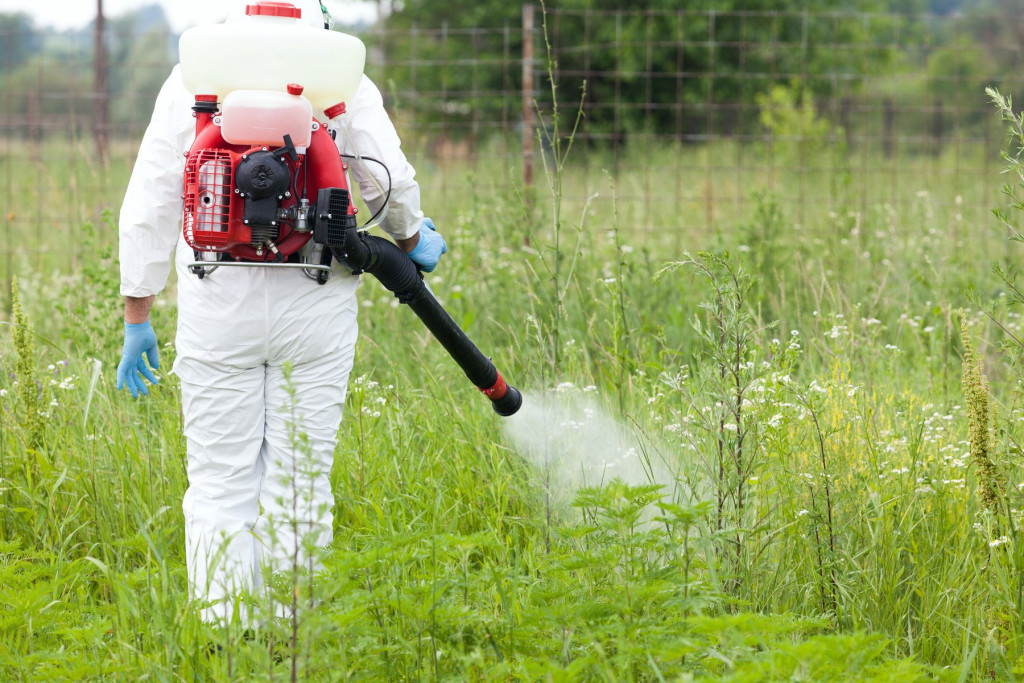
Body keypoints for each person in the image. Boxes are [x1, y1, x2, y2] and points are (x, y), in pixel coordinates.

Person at [115, 0, 447, 624]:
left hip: (220, 296)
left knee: (219, 478)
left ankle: (224, 631)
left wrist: (139, 316)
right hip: (314, 293)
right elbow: (386, 181)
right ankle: (292, 637)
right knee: (299, 480)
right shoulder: (339, 70)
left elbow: (152, 197)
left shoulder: (196, 71)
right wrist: (410, 238)